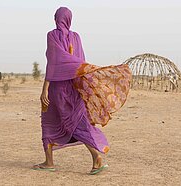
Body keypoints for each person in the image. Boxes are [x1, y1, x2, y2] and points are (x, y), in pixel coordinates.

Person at [33, 7, 131, 175]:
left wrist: (44, 90)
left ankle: (89, 158)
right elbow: (80, 62)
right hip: (74, 87)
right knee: (77, 121)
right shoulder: (76, 37)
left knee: (51, 122)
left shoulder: (52, 35)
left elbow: (54, 62)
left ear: (56, 18)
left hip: (57, 89)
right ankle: (86, 158)